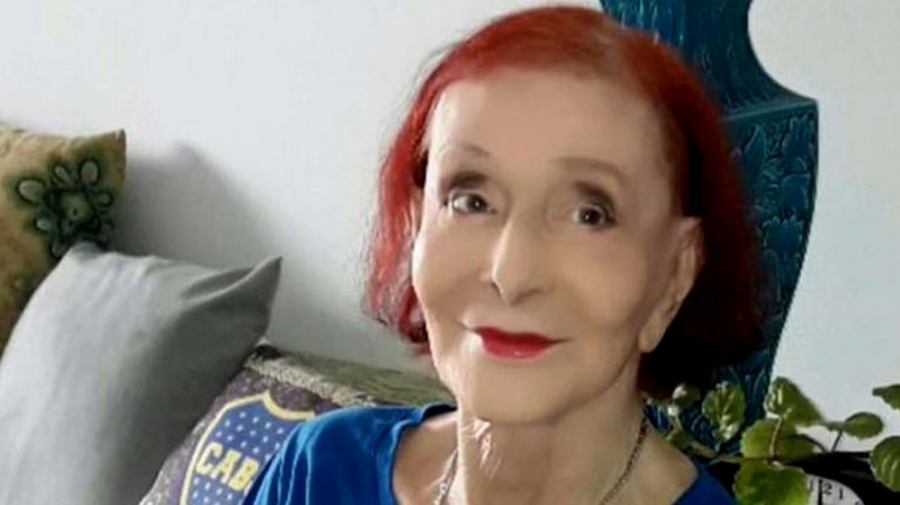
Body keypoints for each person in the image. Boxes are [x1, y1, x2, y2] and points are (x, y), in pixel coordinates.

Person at [244, 5, 762, 504]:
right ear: (418, 225)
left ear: (675, 275)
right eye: (471, 201)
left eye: (589, 214)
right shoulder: (320, 471)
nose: (511, 274)